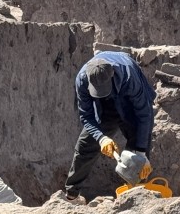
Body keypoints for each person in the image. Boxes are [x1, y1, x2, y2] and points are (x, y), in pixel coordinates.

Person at [63, 51, 156, 200]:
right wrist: (101, 139)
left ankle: (137, 197)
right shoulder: (82, 80)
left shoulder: (129, 77)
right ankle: (72, 194)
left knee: (138, 154)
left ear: (112, 75)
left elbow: (144, 116)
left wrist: (141, 154)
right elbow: (87, 116)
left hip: (129, 103)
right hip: (104, 107)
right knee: (85, 146)